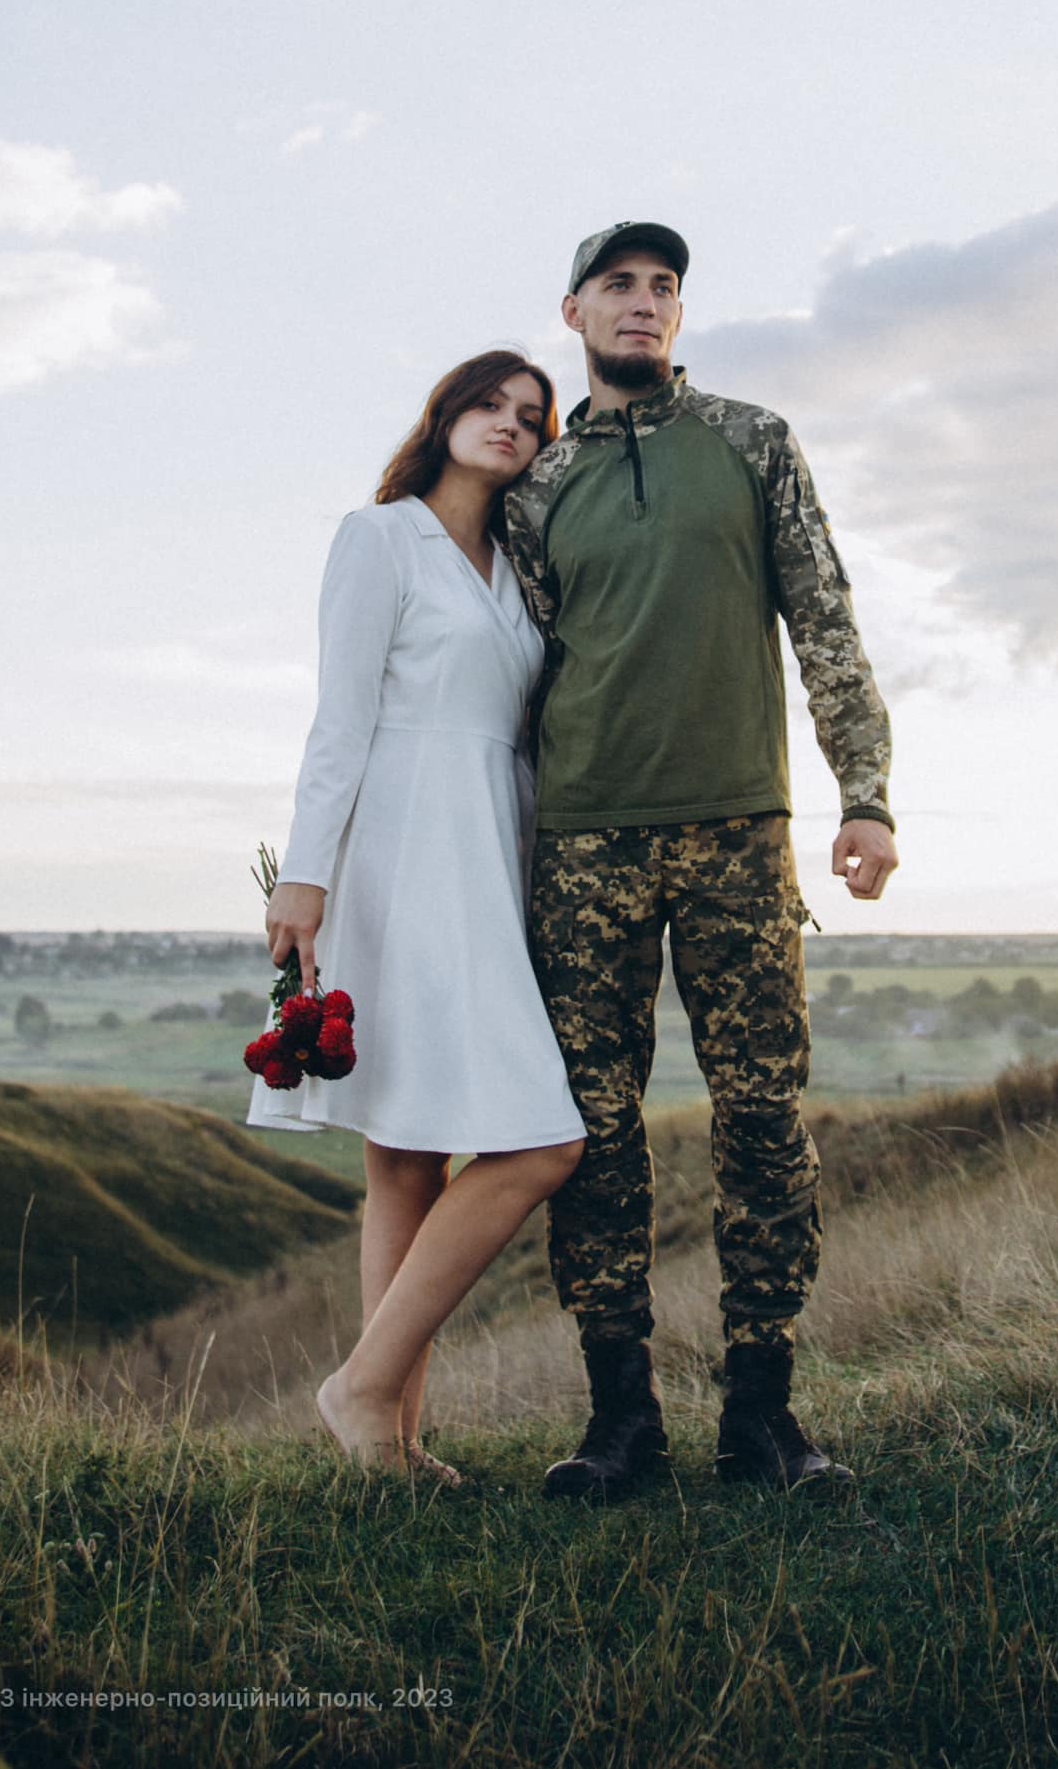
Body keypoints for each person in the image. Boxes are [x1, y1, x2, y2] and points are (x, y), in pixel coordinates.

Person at [504, 221, 899, 1496]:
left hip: (738, 829)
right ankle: (620, 1419)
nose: (644, 301)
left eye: (664, 286)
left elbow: (824, 616)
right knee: (593, 1130)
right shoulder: (534, 485)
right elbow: (516, 669)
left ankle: (762, 1418)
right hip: (584, 841)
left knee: (765, 1120)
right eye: (618, 283)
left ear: (679, 314)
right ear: (574, 312)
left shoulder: (751, 441)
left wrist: (866, 794)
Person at [250, 350, 586, 1485]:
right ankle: (367, 1399)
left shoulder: (521, 571)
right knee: (518, 1142)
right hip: (395, 849)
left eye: (531, 417)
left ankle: (388, 1433)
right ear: (444, 416)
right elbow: (339, 717)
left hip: (488, 852)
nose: (510, 424)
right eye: (489, 404)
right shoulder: (379, 536)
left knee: (415, 1153)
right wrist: (304, 874)